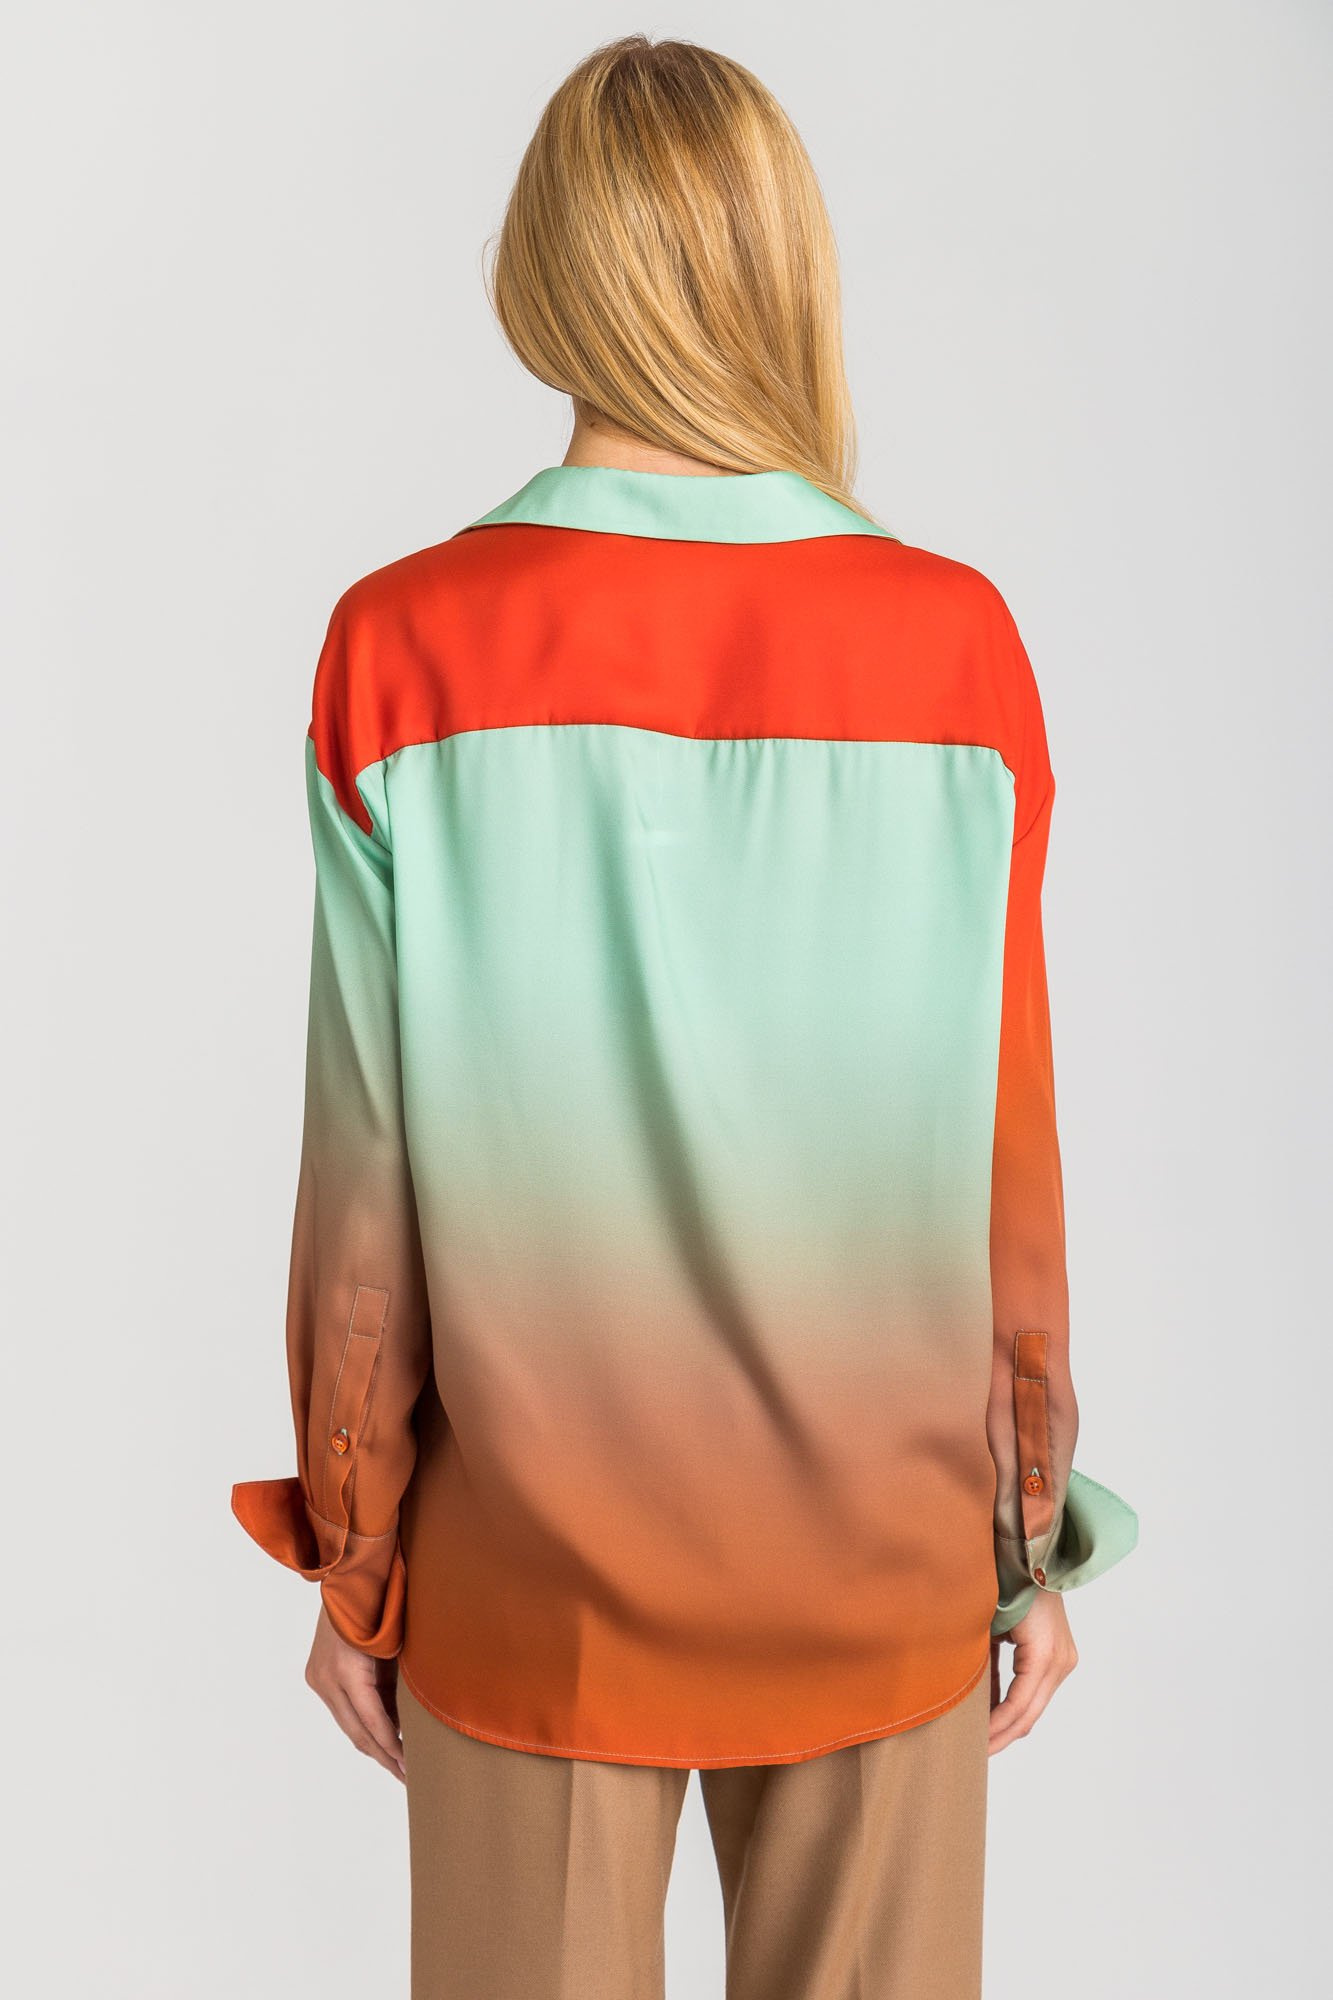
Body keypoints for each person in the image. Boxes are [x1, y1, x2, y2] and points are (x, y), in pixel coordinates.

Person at [231, 32, 1138, 2000]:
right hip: (878, 1563)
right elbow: (1004, 1158)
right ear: (779, 264)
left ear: (542, 270)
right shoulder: (956, 648)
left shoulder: (402, 647)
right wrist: (1019, 1540)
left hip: (527, 1584)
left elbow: (363, 1187)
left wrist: (359, 1560)